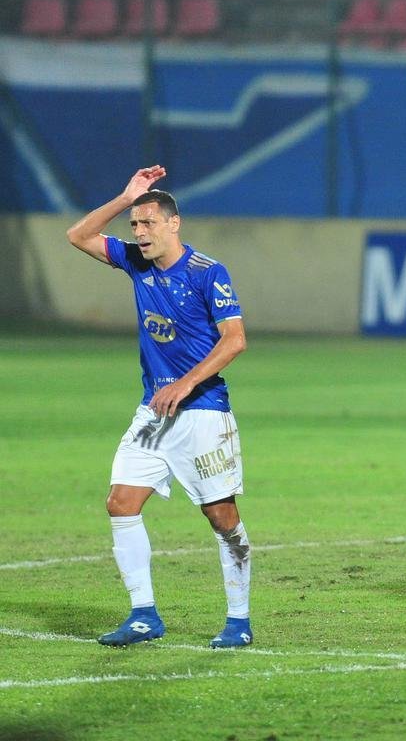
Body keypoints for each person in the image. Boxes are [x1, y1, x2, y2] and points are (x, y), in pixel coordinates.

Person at [66, 166, 253, 649]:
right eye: (134, 225)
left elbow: (235, 341)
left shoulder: (208, 272)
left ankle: (239, 620)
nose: (139, 233)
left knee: (221, 516)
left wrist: (186, 383)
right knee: (121, 503)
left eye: (148, 223)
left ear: (174, 224)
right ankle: (145, 615)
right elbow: (78, 234)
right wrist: (126, 194)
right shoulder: (134, 262)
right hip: (154, 414)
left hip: (203, 411)